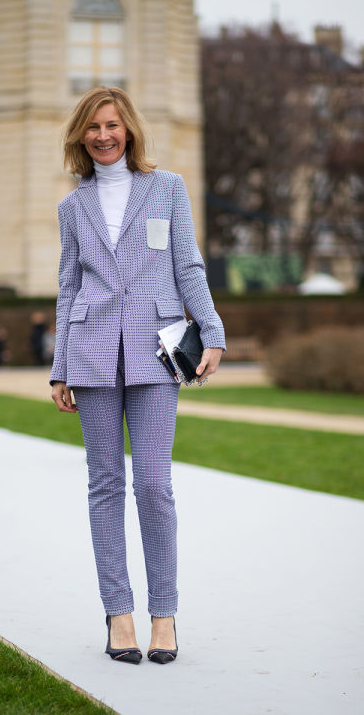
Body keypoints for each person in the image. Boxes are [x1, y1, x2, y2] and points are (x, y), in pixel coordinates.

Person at [50, 88, 226, 665]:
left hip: (157, 352)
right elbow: (69, 286)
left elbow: (188, 262)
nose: (104, 135)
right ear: (81, 136)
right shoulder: (71, 207)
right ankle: (118, 614)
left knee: (153, 486)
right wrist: (60, 368)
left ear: (129, 131)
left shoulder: (167, 188)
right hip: (92, 353)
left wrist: (214, 329)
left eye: (113, 125)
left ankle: (165, 614)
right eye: (93, 127)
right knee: (104, 489)